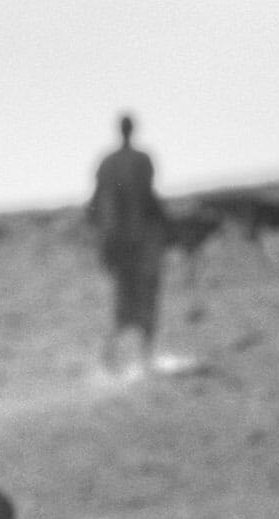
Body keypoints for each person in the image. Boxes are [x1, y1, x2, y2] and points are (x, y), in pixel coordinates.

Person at [87, 113, 167, 374]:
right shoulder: (140, 161)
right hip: (139, 242)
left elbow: (94, 206)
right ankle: (143, 360)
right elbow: (149, 198)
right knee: (145, 299)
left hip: (118, 245)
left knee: (124, 302)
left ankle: (112, 360)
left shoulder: (108, 163)